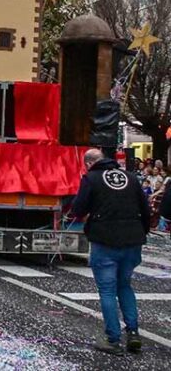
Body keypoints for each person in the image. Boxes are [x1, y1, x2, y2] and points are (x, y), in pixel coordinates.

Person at [72, 148, 150, 355]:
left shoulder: (91, 178)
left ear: (88, 164)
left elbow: (78, 209)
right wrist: (141, 232)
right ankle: (133, 333)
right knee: (125, 285)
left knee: (107, 290)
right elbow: (146, 208)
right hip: (132, 239)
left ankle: (112, 338)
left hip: (105, 240)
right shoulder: (131, 177)